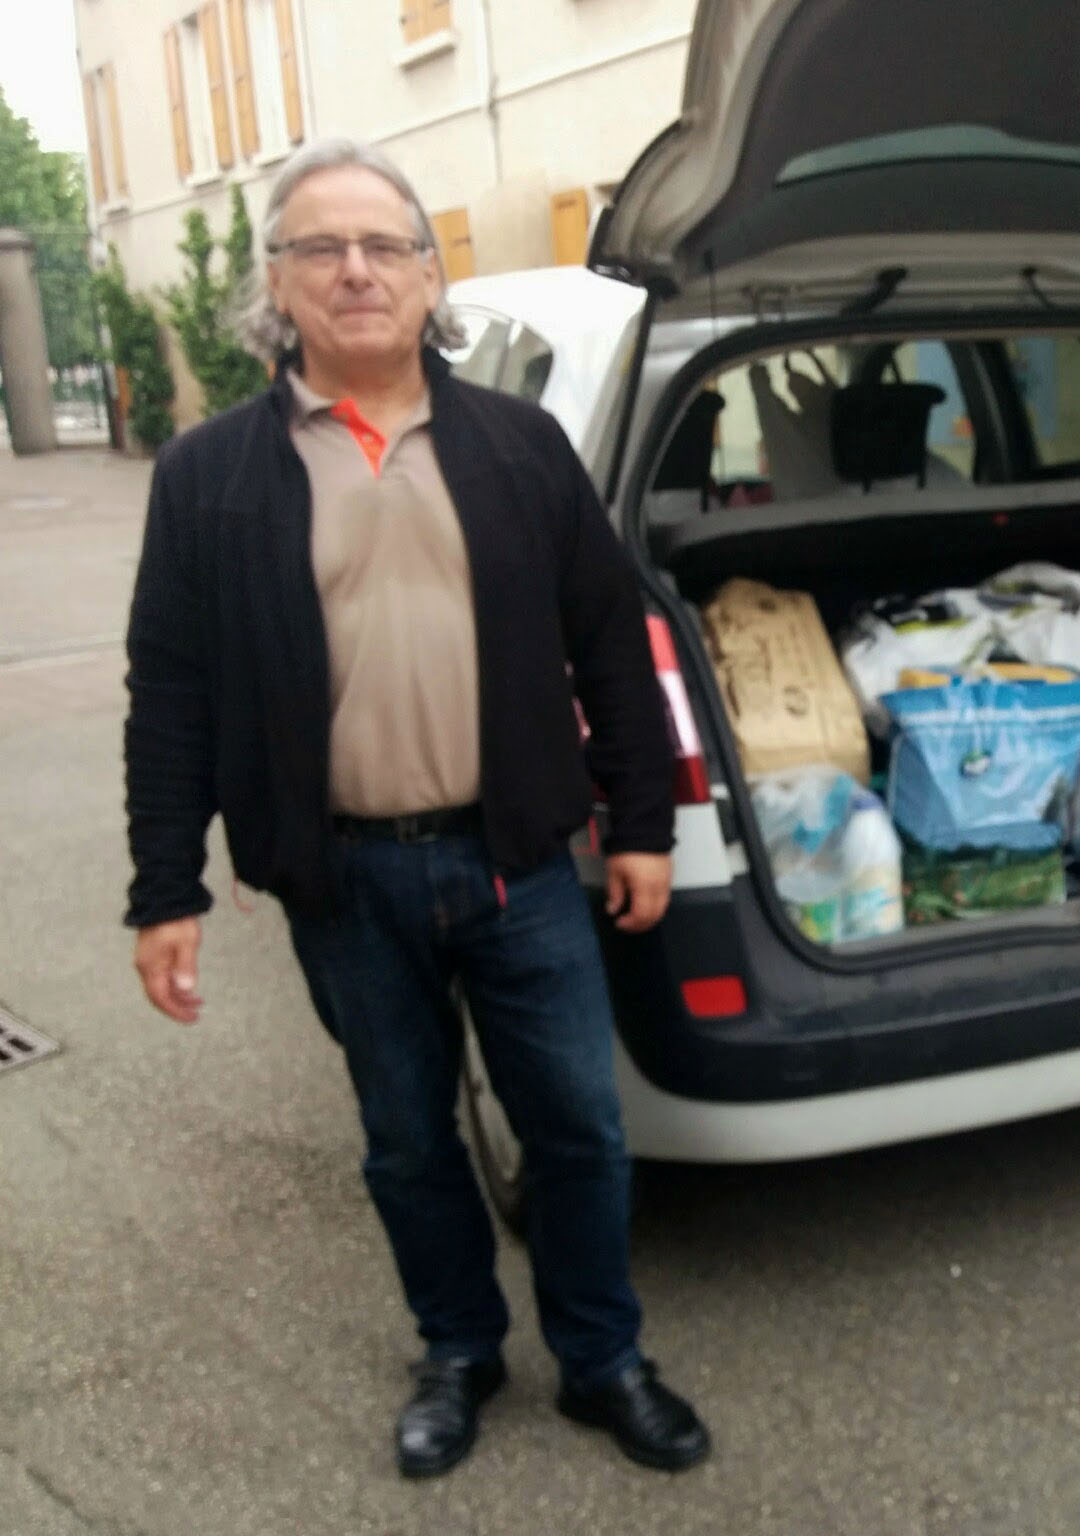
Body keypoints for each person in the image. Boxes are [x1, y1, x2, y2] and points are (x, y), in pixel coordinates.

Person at [123, 139, 711, 1477]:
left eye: (384, 246)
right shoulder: (209, 475)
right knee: (405, 1140)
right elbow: (170, 688)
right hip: (342, 882)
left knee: (577, 1128)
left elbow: (611, 643)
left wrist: (641, 825)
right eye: (319, 248)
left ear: (429, 277)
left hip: (519, 866)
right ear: (275, 284)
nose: (354, 271)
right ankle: (459, 1349)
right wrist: (166, 889)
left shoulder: (517, 444)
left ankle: (604, 1359)